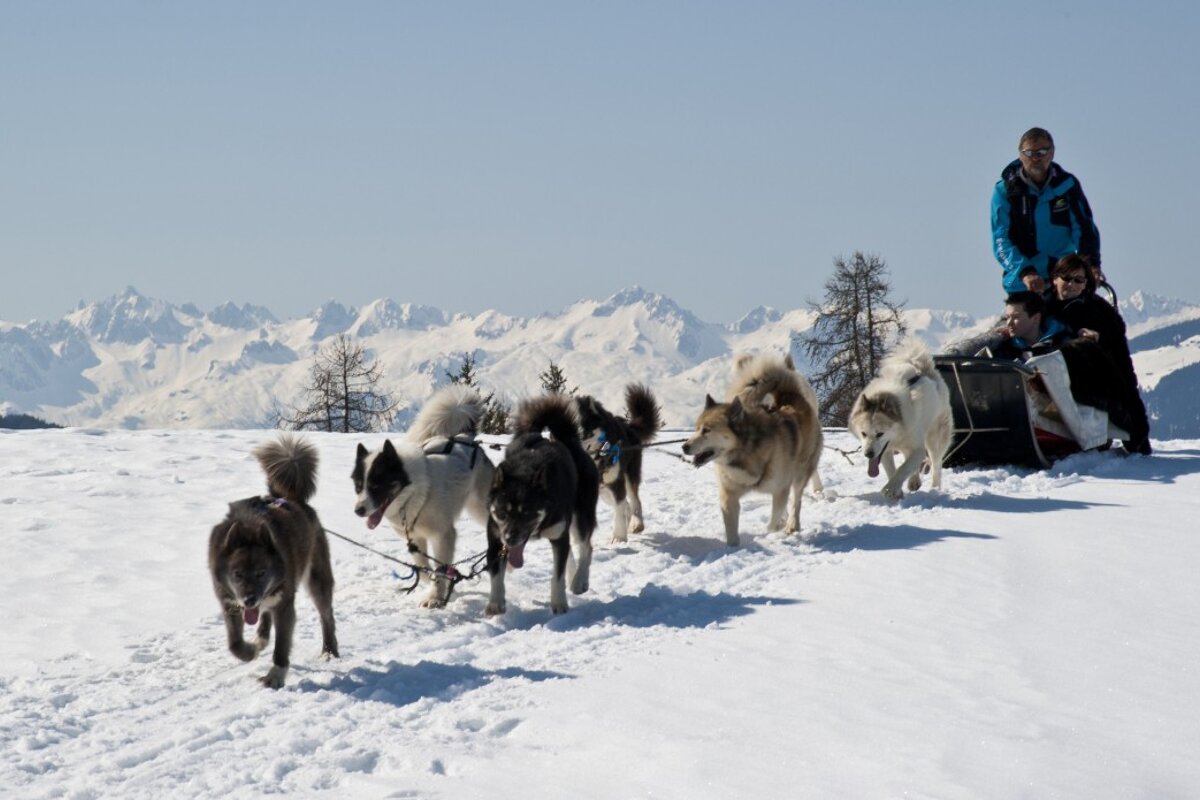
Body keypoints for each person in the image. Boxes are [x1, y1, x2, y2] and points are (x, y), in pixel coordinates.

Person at [1048, 254, 1151, 454]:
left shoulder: (1099, 313)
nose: (1071, 284)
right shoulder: (1043, 307)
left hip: (1094, 376)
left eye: (1078, 280)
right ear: (1055, 279)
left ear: (1086, 283)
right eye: (1066, 278)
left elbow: (1121, 362)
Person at [991, 127, 1101, 294]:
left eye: (1042, 152)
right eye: (1029, 153)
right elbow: (1001, 240)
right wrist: (1025, 272)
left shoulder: (1067, 186)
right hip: (1022, 282)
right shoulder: (1005, 191)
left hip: (1063, 279)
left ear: (1052, 153)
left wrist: (1091, 265)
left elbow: (1084, 228)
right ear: (1020, 155)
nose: (1036, 158)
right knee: (1022, 318)